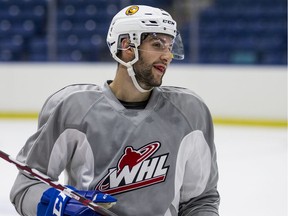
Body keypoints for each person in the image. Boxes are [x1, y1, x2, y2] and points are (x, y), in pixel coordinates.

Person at [10, 5, 220, 216]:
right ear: (127, 46)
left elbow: (200, 200)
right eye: (157, 45)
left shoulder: (191, 112)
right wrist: (58, 205)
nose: (168, 56)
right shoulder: (73, 108)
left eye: (169, 46)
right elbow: (26, 185)